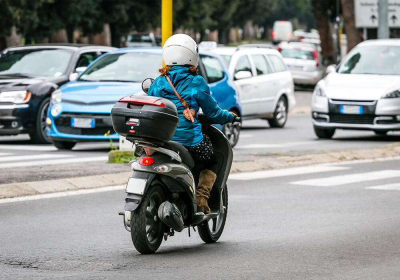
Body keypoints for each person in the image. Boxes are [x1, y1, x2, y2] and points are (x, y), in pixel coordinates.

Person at [148, 34, 236, 214]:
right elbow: (213, 113)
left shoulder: (158, 82)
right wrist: (230, 117)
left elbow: (152, 104)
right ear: (191, 55)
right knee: (212, 159)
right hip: (189, 140)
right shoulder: (196, 81)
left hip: (162, 139)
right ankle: (202, 197)